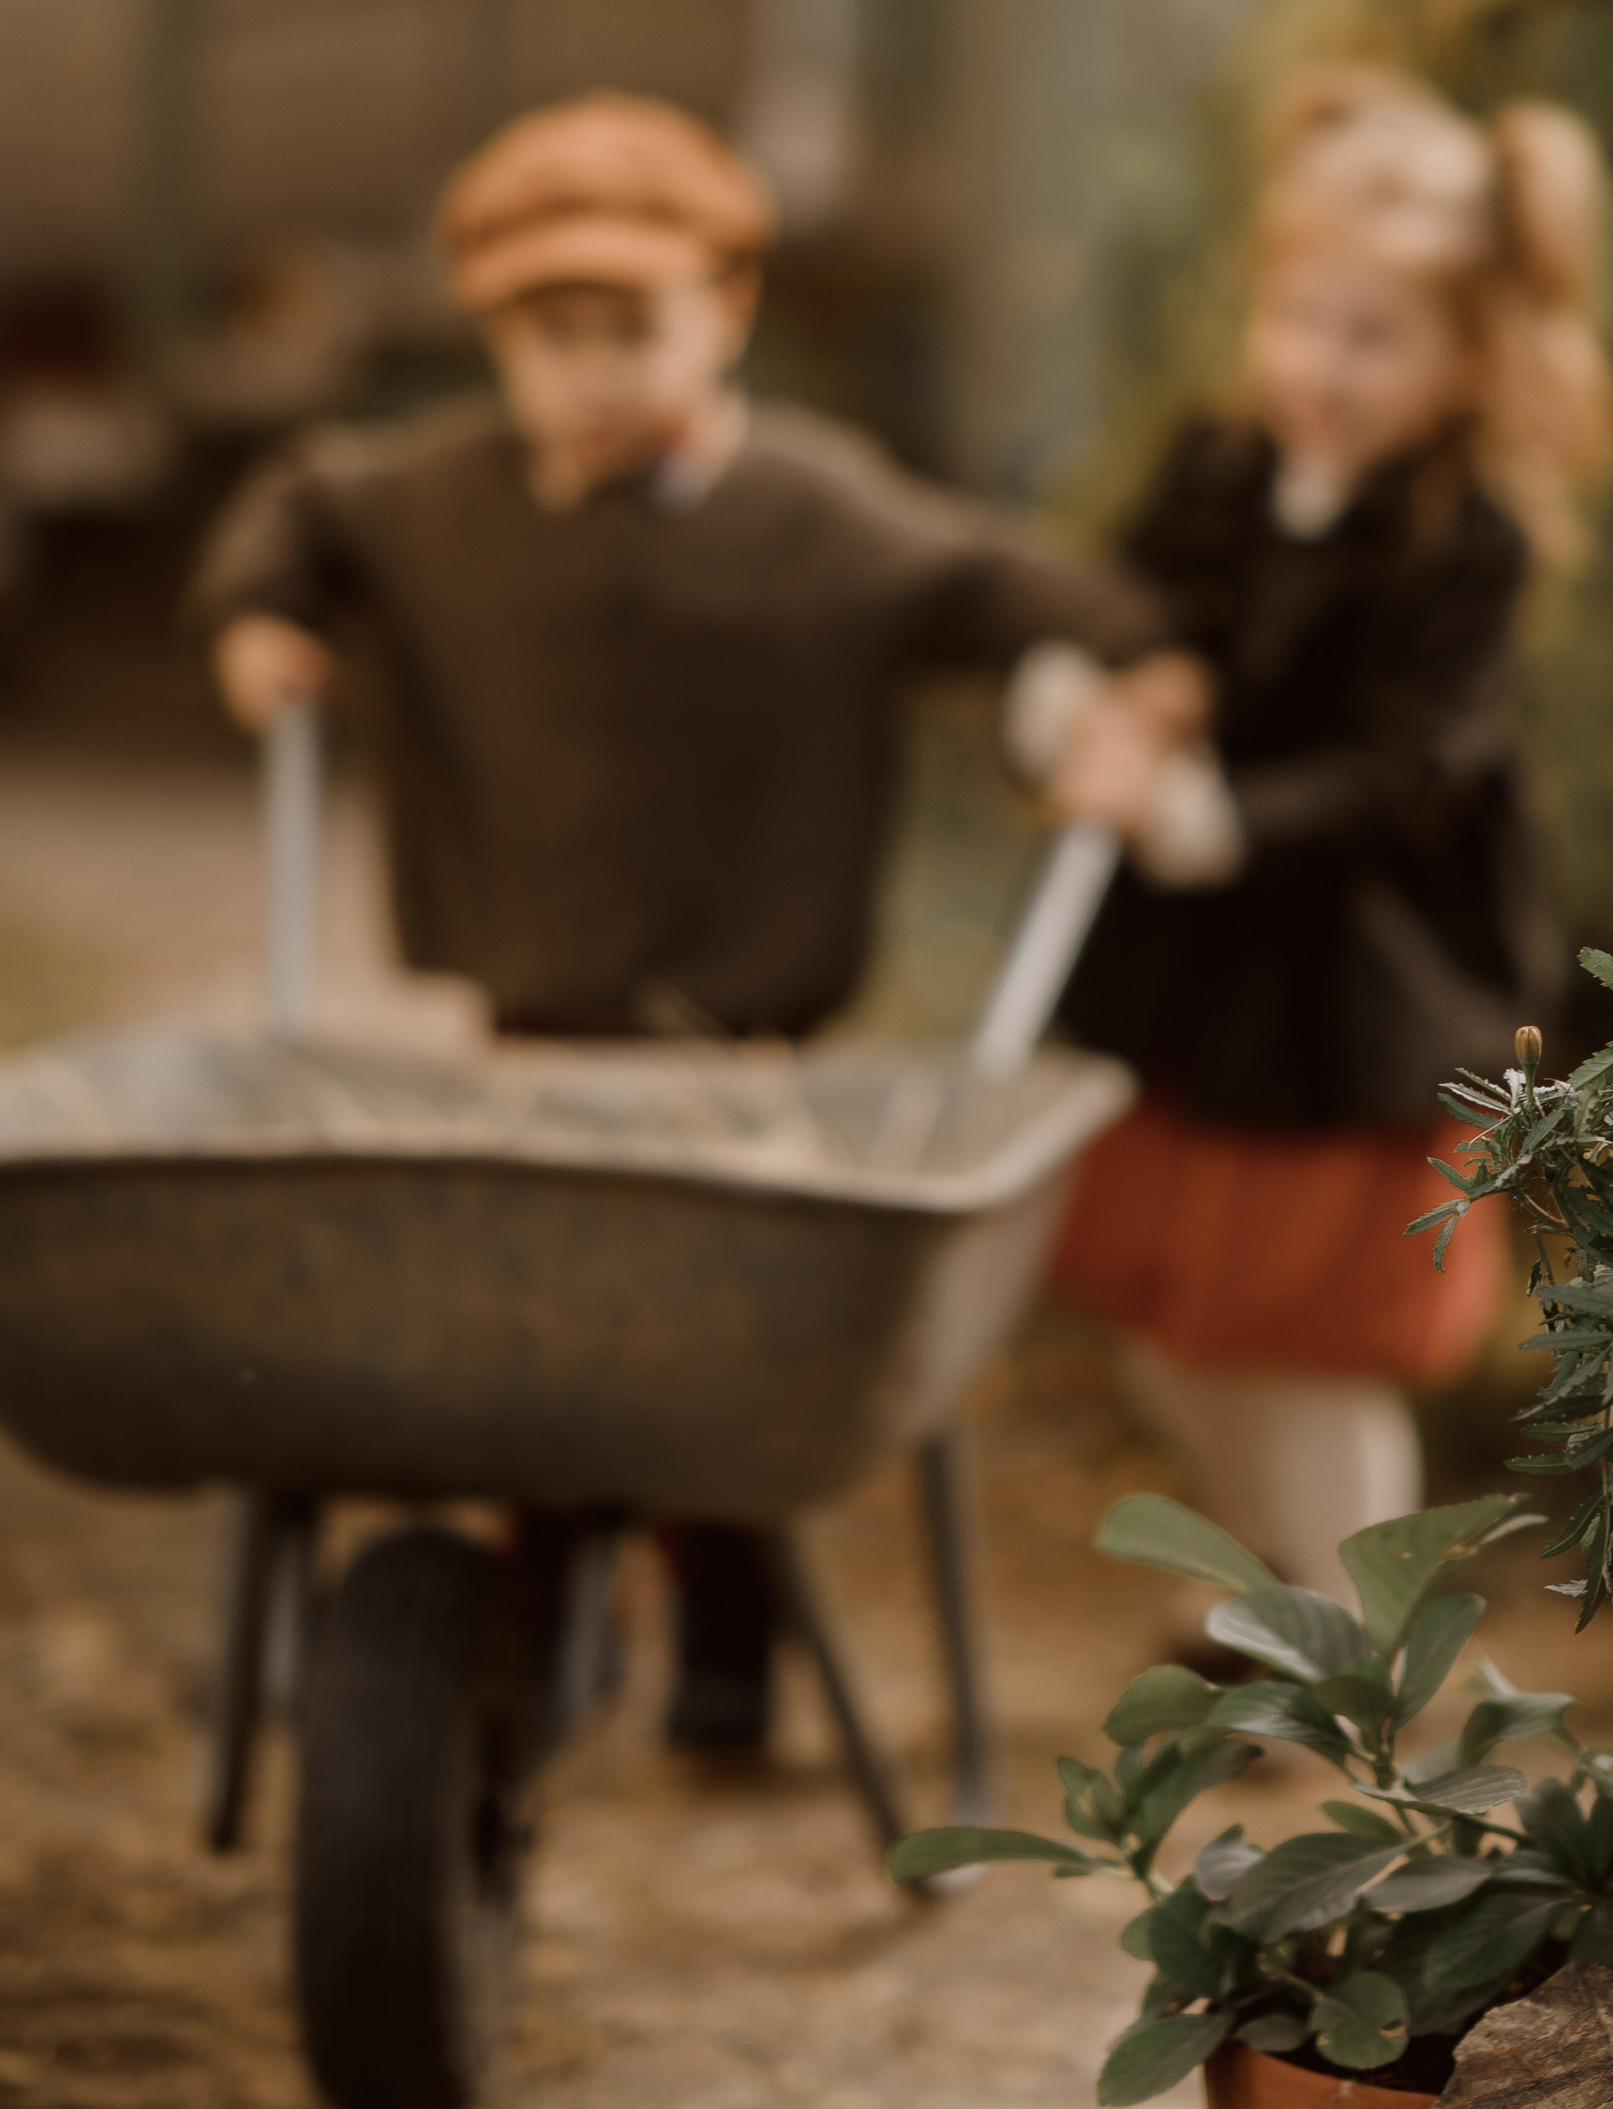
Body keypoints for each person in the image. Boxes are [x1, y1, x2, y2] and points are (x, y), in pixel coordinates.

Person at [191, 91, 1156, 1752]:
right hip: (537, 1022)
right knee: (547, 1337)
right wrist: (257, 620)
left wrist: (1120, 693)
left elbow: (1016, 588)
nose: (591, 374)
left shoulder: (816, 513)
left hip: (748, 1034)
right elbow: (302, 505)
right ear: (494, 341)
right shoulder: (443, 500)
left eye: (632, 328)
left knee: (725, 1355)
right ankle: (551, 1615)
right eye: (548, 335)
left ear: (730, 313)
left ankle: (727, 1631)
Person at [1012, 65, 1613, 1607]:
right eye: (1300, 320)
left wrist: (1221, 815)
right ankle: (1271, 1588)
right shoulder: (1225, 466)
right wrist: (1092, 697)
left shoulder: (1465, 537)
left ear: (1473, 357)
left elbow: (1417, 766)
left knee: (1307, 1341)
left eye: (1373, 338)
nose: (1319, 368)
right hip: (1196, 982)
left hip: (1354, 982)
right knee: (1169, 1320)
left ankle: (1366, 1635)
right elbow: (1138, 606)